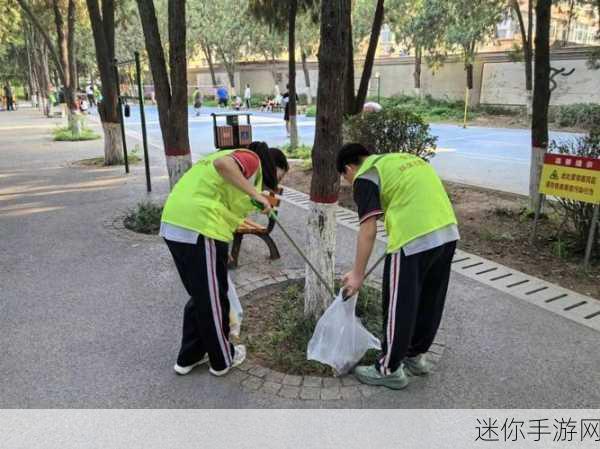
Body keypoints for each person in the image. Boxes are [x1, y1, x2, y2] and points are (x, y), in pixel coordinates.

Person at [160, 142, 289, 377]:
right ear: (275, 164)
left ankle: (189, 356)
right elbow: (223, 165)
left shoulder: (240, 168)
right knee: (214, 300)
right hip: (199, 226)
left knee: (202, 296)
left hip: (179, 225)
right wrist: (255, 194)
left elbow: (224, 200)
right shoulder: (252, 159)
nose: (279, 181)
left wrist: (222, 246)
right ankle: (222, 360)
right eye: (282, 174)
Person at [338, 143, 459, 390]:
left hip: (412, 239)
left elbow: (368, 229)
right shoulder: (398, 160)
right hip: (447, 231)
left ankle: (389, 368)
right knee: (430, 299)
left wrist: (357, 275)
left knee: (399, 303)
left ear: (349, 168)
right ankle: (415, 356)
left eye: (345, 177)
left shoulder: (365, 175)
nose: (349, 182)